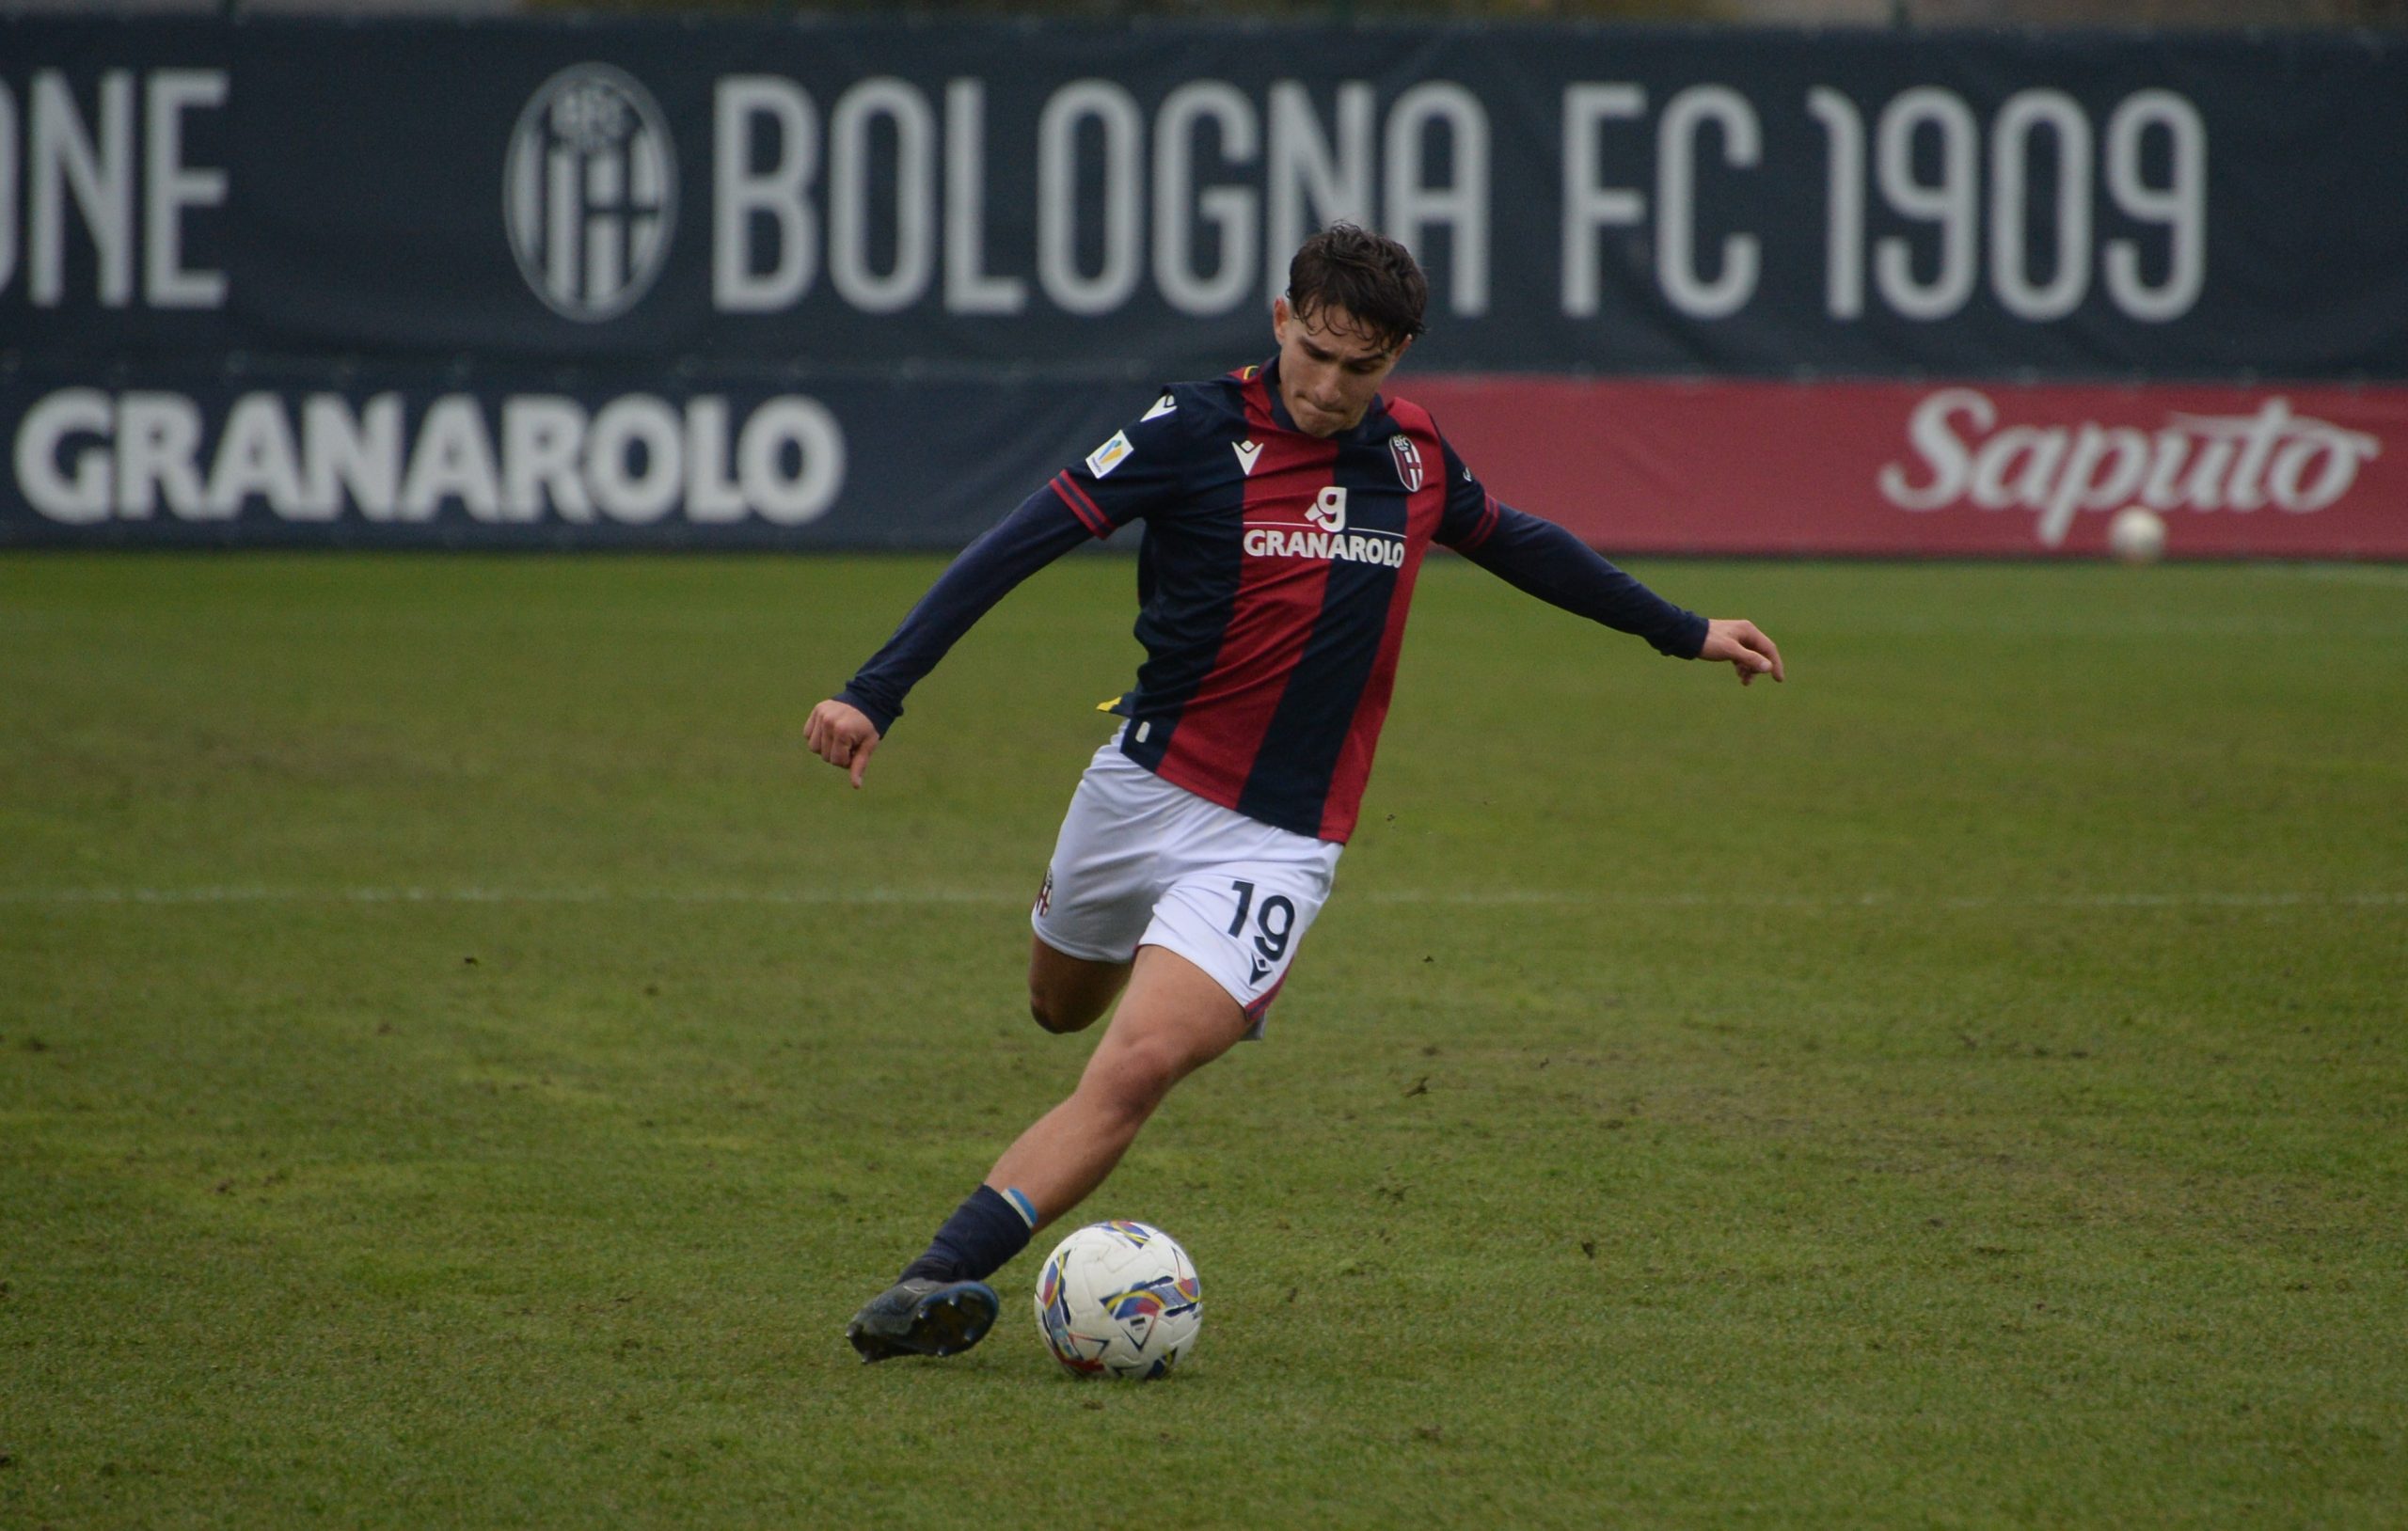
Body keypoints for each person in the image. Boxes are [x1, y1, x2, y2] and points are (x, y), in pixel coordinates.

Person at [810, 223, 1783, 1363]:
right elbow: (1017, 543)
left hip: (1277, 839)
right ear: (1280, 320)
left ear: (1399, 356)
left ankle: (936, 1279)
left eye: (1358, 367)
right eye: (1312, 351)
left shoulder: (1415, 458)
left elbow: (1518, 540)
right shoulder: (1190, 429)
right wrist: (878, 689)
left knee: (1133, 1063)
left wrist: (1685, 631)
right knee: (1058, 1007)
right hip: (1138, 790)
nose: (1327, 386)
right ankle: (1135, 950)